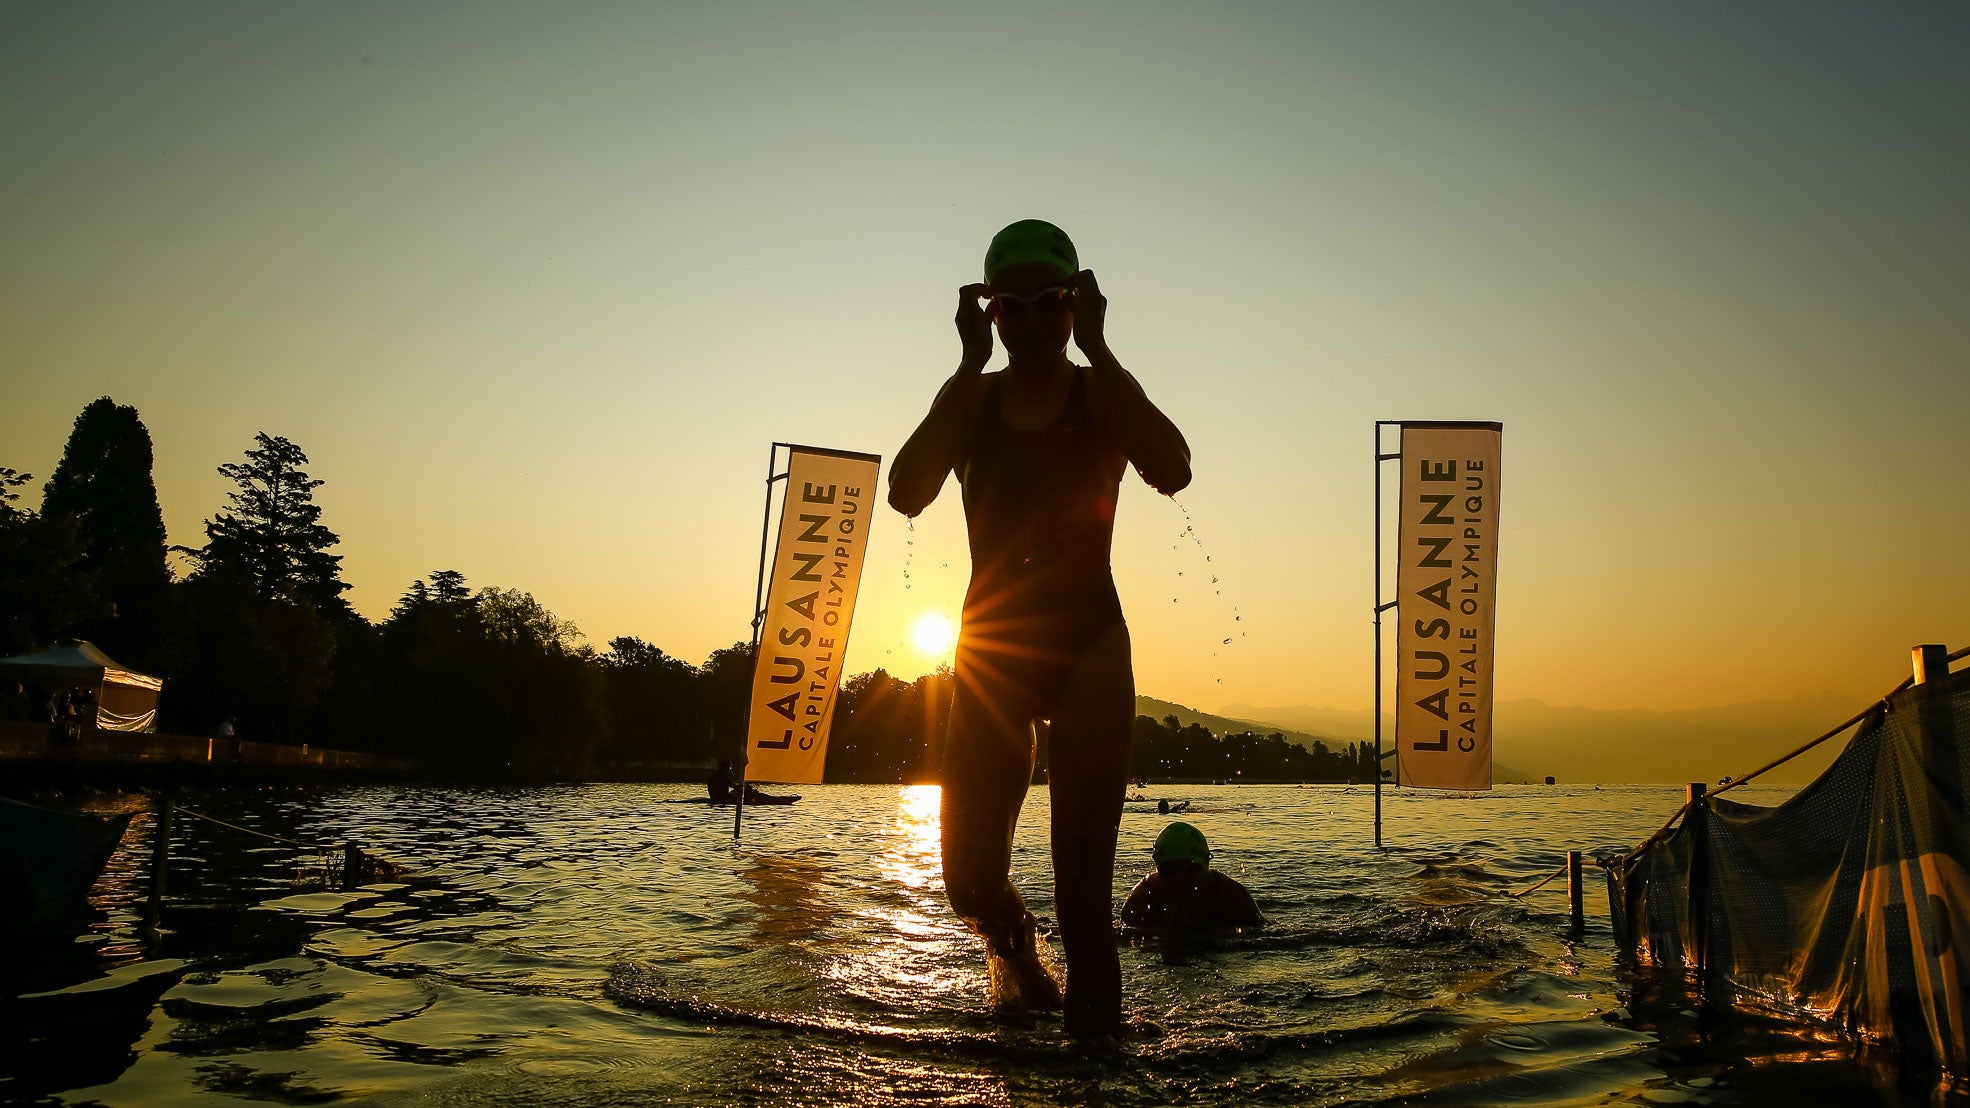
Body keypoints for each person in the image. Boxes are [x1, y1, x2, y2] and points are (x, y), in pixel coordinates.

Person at [889, 219, 1191, 1036]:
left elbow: (1172, 466)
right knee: (968, 883)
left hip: (1089, 645)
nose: (1027, 319)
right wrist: (962, 367)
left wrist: (1103, 349)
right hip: (992, 654)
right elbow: (906, 489)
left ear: (1073, 303)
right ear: (988, 310)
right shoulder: (974, 400)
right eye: (1009, 303)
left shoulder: (1099, 395)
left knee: (1084, 893)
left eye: (1046, 301)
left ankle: (1097, 1073)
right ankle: (1020, 959)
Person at [1120, 822, 1263, 933]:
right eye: (1168, 871)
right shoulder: (1142, 897)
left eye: (1192, 870)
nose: (1180, 880)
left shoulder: (1231, 894)